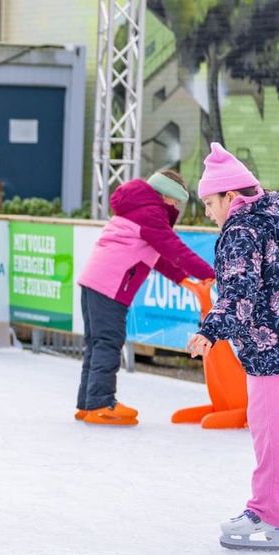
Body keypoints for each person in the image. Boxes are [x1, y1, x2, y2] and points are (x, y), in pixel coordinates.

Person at [186, 143, 279, 551]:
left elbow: (239, 293)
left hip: (269, 346)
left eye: (210, 203)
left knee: (274, 433)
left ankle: (271, 516)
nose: (208, 213)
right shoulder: (275, 217)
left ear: (231, 196)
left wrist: (210, 331)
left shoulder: (240, 231)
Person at [74, 170, 216, 425]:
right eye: (175, 200)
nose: (176, 206)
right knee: (108, 342)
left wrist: (184, 280)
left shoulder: (138, 208)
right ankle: (101, 404)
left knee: (96, 343)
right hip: (110, 286)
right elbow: (175, 249)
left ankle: (87, 403)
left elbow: (157, 255)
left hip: (94, 282)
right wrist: (209, 273)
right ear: (165, 195)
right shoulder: (151, 213)